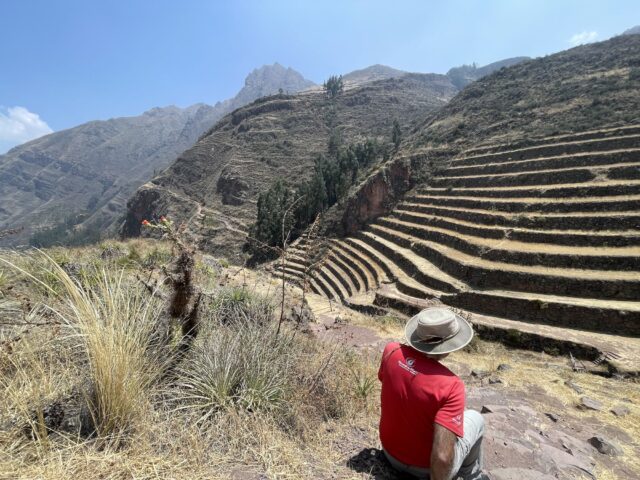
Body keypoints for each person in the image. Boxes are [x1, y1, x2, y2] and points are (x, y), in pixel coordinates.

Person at [377, 307, 485, 480]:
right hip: (425, 469)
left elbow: (397, 390)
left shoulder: (391, 351)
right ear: (448, 345)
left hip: (390, 453)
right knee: (476, 419)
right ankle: (471, 475)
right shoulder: (452, 385)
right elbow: (442, 458)